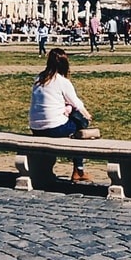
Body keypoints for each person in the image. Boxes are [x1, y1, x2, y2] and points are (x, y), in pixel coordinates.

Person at [30, 47, 100, 184]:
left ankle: (52, 168)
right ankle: (79, 169)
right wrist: (87, 116)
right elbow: (77, 103)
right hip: (54, 128)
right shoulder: (62, 81)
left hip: (36, 128)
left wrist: (67, 108)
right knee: (81, 125)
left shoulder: (39, 78)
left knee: (72, 115)